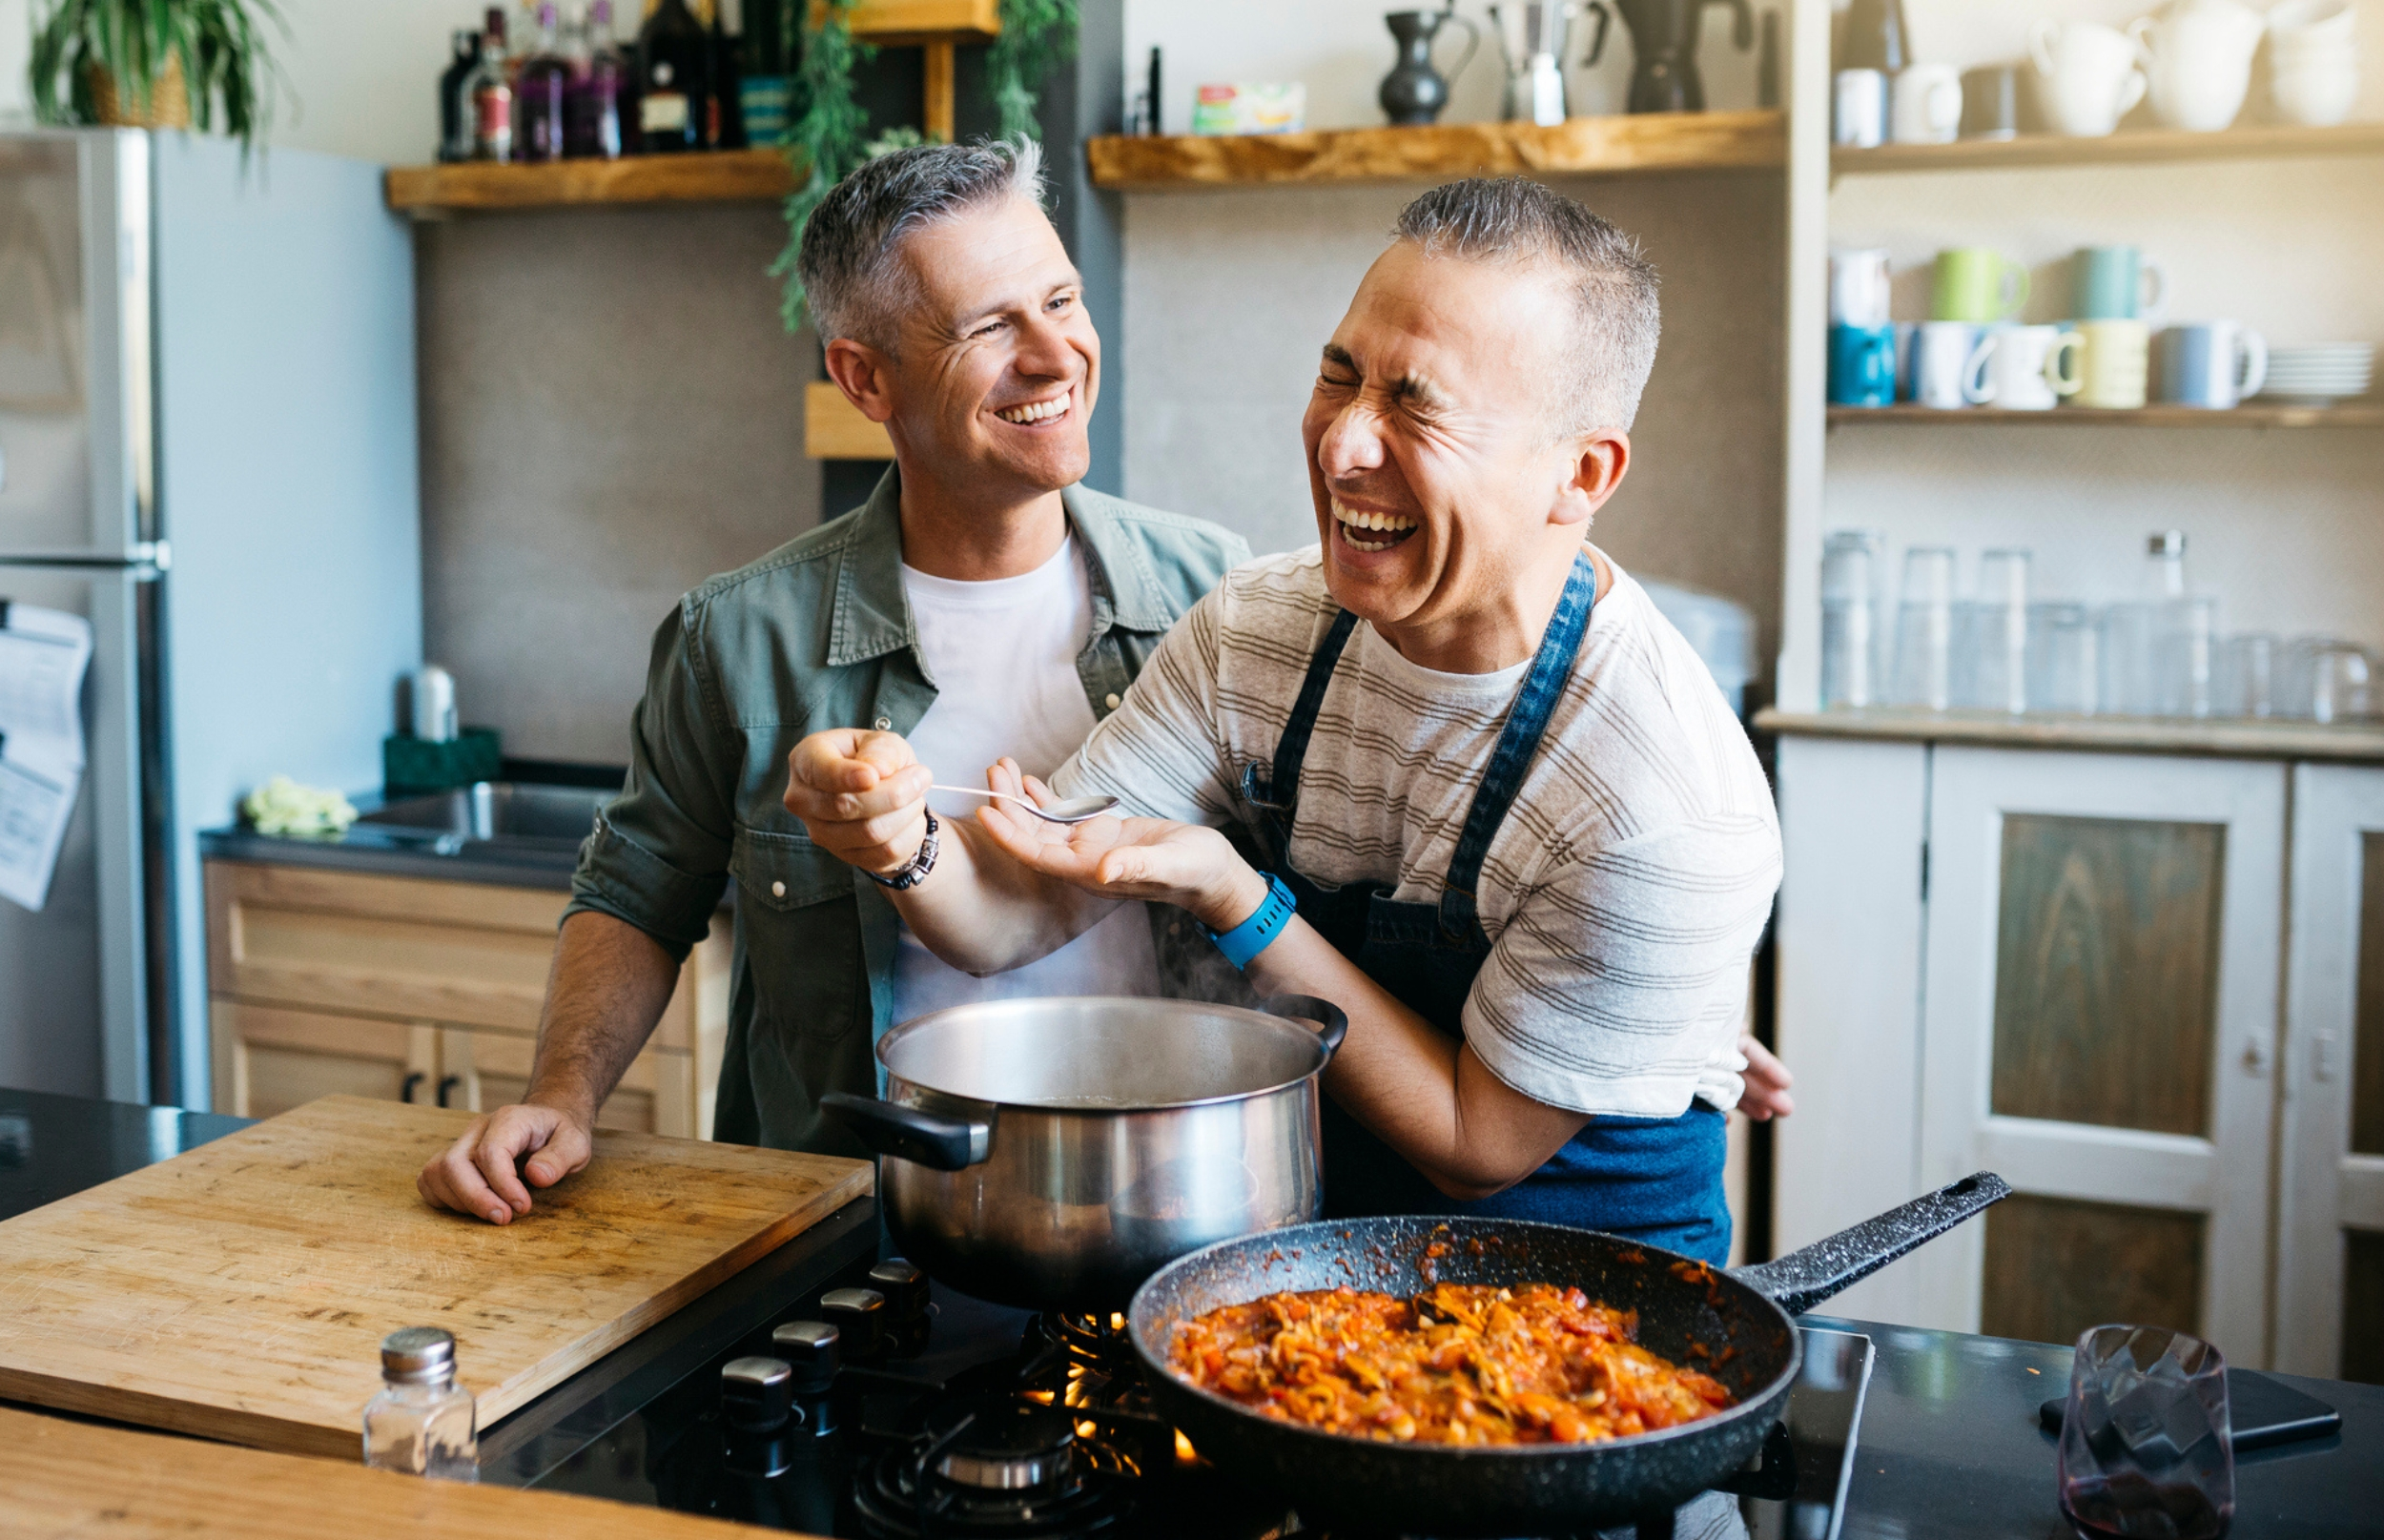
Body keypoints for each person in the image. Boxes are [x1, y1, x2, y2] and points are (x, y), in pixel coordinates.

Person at [785, 177, 1789, 1264]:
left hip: (1581, 1315)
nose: (1342, 444)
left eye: (1416, 403)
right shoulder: (1257, 632)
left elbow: (1473, 1142)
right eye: (1337, 374)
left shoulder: (1663, 803)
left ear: (1579, 473)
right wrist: (899, 842)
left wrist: (1237, 897)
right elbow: (1016, 910)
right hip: (1315, 1276)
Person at [418, 139, 1250, 1225]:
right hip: (855, 1235)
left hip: (1168, 1213)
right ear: (864, 376)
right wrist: (561, 1097)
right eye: (991, 326)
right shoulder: (737, 637)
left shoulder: (1221, 596)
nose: (1055, 356)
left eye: (1062, 300)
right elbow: (633, 893)